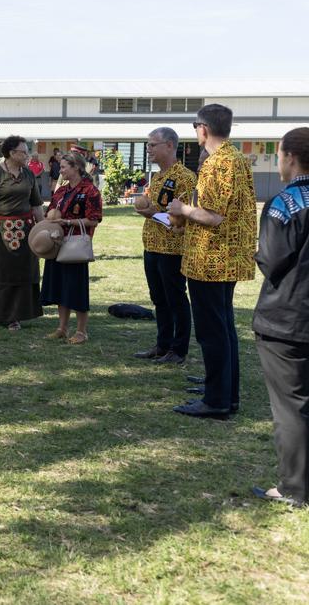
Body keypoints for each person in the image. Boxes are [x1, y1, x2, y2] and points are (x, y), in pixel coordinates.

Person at [168, 104, 256, 417]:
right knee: (224, 328)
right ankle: (224, 392)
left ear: (203, 128)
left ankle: (216, 401)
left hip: (211, 260)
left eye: (195, 127)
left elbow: (213, 217)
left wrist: (182, 209)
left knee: (212, 331)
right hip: (226, 258)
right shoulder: (236, 157)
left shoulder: (219, 162)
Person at [251, 127, 309, 506]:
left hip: (287, 319)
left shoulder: (284, 203)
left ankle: (295, 487)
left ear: (289, 157)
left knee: (291, 406)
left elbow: (271, 259)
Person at [132, 127, 196, 364]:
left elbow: (182, 220)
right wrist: (148, 209)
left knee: (175, 298)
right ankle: (162, 345)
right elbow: (156, 209)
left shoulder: (185, 178)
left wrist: (152, 214)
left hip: (172, 248)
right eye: (148, 145)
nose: (148, 149)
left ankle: (178, 350)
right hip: (152, 245)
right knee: (158, 298)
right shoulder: (157, 176)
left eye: (152, 145)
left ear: (169, 146)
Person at [0, 135, 45, 330]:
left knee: (22, 270)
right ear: (12, 153)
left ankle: (16, 315)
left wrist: (43, 229)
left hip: (26, 231)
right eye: (23, 152)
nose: (27, 155)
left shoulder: (29, 174)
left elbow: (36, 205)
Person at [40, 151, 103, 344]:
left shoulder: (90, 191)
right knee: (60, 286)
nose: (61, 170)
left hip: (75, 247)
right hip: (57, 243)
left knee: (76, 289)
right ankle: (62, 328)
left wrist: (67, 221)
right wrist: (49, 215)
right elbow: (51, 210)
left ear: (76, 167)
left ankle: (81, 331)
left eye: (65, 166)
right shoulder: (62, 190)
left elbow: (93, 220)